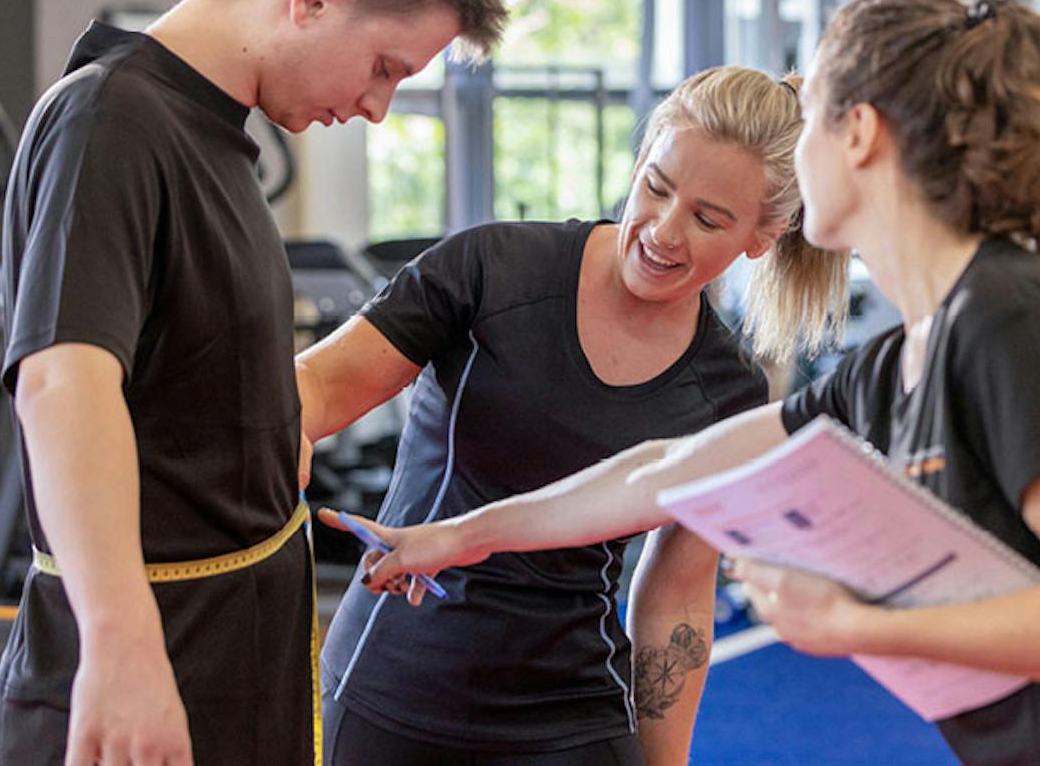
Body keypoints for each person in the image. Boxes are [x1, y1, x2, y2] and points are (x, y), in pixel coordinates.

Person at [354, 0, 1040, 765]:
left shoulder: (1007, 317)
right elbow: (665, 471)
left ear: (858, 134)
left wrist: (858, 623)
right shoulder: (891, 367)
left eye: (808, 116)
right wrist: (463, 534)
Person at [0, 0, 506, 766]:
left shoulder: (215, 139)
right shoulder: (112, 120)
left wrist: (270, 430)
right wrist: (120, 646)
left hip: (234, 653)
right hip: (148, 664)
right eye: (384, 66)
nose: (378, 106)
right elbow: (62, 386)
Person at [300, 65, 850, 765]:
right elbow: (318, 387)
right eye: (656, 187)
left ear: (762, 237)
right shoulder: (493, 269)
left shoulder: (726, 390)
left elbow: (676, 596)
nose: (663, 231)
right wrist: (272, 431)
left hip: (574, 708)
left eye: (707, 219)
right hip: (395, 682)